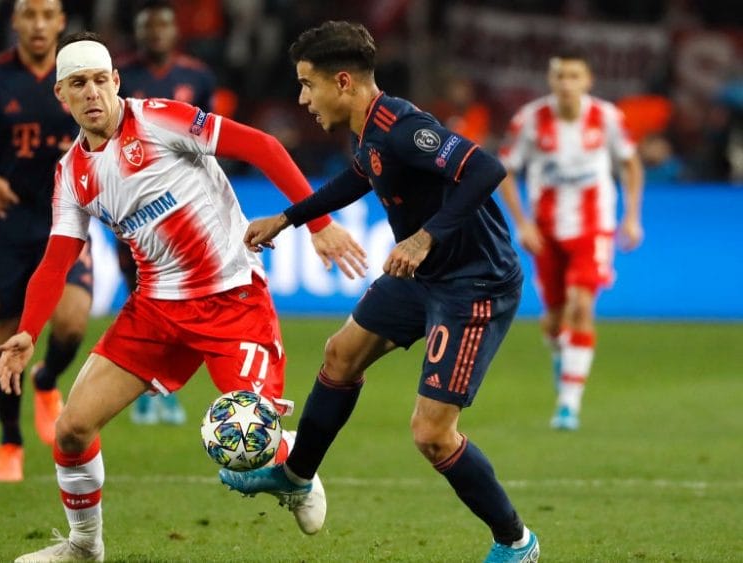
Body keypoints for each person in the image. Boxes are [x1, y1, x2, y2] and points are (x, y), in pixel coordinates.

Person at [0, 31, 367, 561]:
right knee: (72, 429)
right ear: (62, 96)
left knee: (249, 442)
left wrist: (318, 223)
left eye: (102, 80)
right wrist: (27, 330)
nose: (94, 92)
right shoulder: (72, 175)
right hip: (156, 311)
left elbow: (262, 146)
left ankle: (297, 471)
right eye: (79, 84)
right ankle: (83, 546)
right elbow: (57, 259)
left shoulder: (161, 118)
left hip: (232, 299)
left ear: (117, 82)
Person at [219, 21, 540, 563]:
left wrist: (424, 237)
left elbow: (486, 168)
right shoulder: (367, 130)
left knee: (432, 434)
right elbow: (360, 175)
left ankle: (516, 541)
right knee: (340, 354)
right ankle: (297, 477)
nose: (302, 99)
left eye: (307, 84)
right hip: (424, 276)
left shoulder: (403, 126)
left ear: (342, 82)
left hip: (473, 284)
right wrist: (291, 218)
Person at [0, 0, 94, 482]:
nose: (38, 24)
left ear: (61, 21)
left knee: (72, 321)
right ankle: (10, 443)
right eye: (29, 14)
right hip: (8, 224)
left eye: (48, 14)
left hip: (65, 219)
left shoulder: (80, 74)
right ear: (15, 20)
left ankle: (47, 380)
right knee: (7, 338)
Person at [497, 50, 644, 431]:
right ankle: (563, 354)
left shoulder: (608, 118)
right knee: (554, 318)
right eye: (560, 76)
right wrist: (522, 224)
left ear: (587, 81)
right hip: (546, 232)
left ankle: (568, 404)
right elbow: (504, 172)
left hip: (594, 226)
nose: (566, 83)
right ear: (552, 81)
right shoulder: (530, 120)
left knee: (582, 305)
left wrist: (631, 217)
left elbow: (630, 164)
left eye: (574, 76)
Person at [115, 0, 218, 427]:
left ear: (175, 33)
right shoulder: (121, 77)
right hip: (136, 205)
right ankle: (143, 390)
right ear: (138, 33)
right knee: (141, 296)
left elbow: (212, 137)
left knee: (186, 300)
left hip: (186, 208)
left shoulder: (197, 76)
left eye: (162, 27)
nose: (155, 34)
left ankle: (167, 390)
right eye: (148, 27)